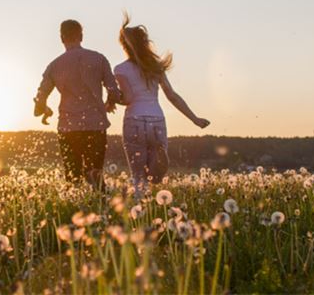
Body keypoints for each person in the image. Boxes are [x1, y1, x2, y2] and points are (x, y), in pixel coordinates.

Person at [114, 13, 210, 197]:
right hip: (156, 120)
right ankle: (159, 164)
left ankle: (140, 211)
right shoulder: (155, 66)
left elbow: (127, 99)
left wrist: (112, 98)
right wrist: (194, 119)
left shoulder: (120, 69)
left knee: (138, 176)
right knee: (154, 177)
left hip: (134, 120)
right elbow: (172, 96)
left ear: (124, 45)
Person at [34, 19, 121, 190]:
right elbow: (114, 92)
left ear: (61, 38)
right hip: (95, 126)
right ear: (81, 36)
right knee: (95, 176)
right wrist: (110, 102)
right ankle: (101, 212)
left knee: (73, 179)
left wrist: (45, 110)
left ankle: (74, 213)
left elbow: (39, 102)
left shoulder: (54, 65)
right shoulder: (99, 59)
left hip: (68, 128)